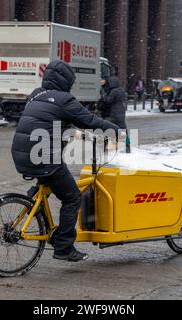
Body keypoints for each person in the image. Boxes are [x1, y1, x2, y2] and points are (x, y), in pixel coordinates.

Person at [11, 61, 120, 262]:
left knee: (49, 181)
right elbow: (89, 120)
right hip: (44, 158)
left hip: (22, 153)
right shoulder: (63, 99)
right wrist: (115, 130)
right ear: (66, 81)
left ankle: (39, 204)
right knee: (72, 197)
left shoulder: (36, 94)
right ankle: (64, 247)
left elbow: (46, 120)